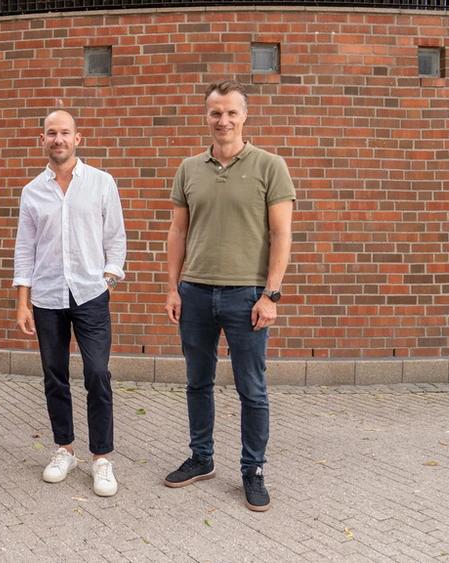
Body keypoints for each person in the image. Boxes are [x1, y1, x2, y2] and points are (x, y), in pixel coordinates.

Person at [163, 81, 295, 512]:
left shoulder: (270, 166)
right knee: (197, 383)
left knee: (251, 389)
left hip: (247, 296)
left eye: (231, 113)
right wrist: (173, 287)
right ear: (206, 117)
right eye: (215, 113)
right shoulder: (189, 168)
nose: (223, 121)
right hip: (196, 293)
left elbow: (281, 234)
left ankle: (252, 470)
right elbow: (178, 231)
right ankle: (201, 459)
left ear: (244, 117)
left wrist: (271, 295)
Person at [13, 109, 127, 497]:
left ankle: (101, 458)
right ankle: (64, 449)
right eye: (51, 133)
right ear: (41, 140)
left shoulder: (101, 183)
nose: (58, 139)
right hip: (46, 298)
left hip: (90, 295)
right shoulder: (32, 191)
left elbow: (116, 239)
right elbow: (24, 250)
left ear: (78, 138)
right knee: (54, 375)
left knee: (97, 373)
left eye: (65, 133)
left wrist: (107, 279)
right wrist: (22, 302)